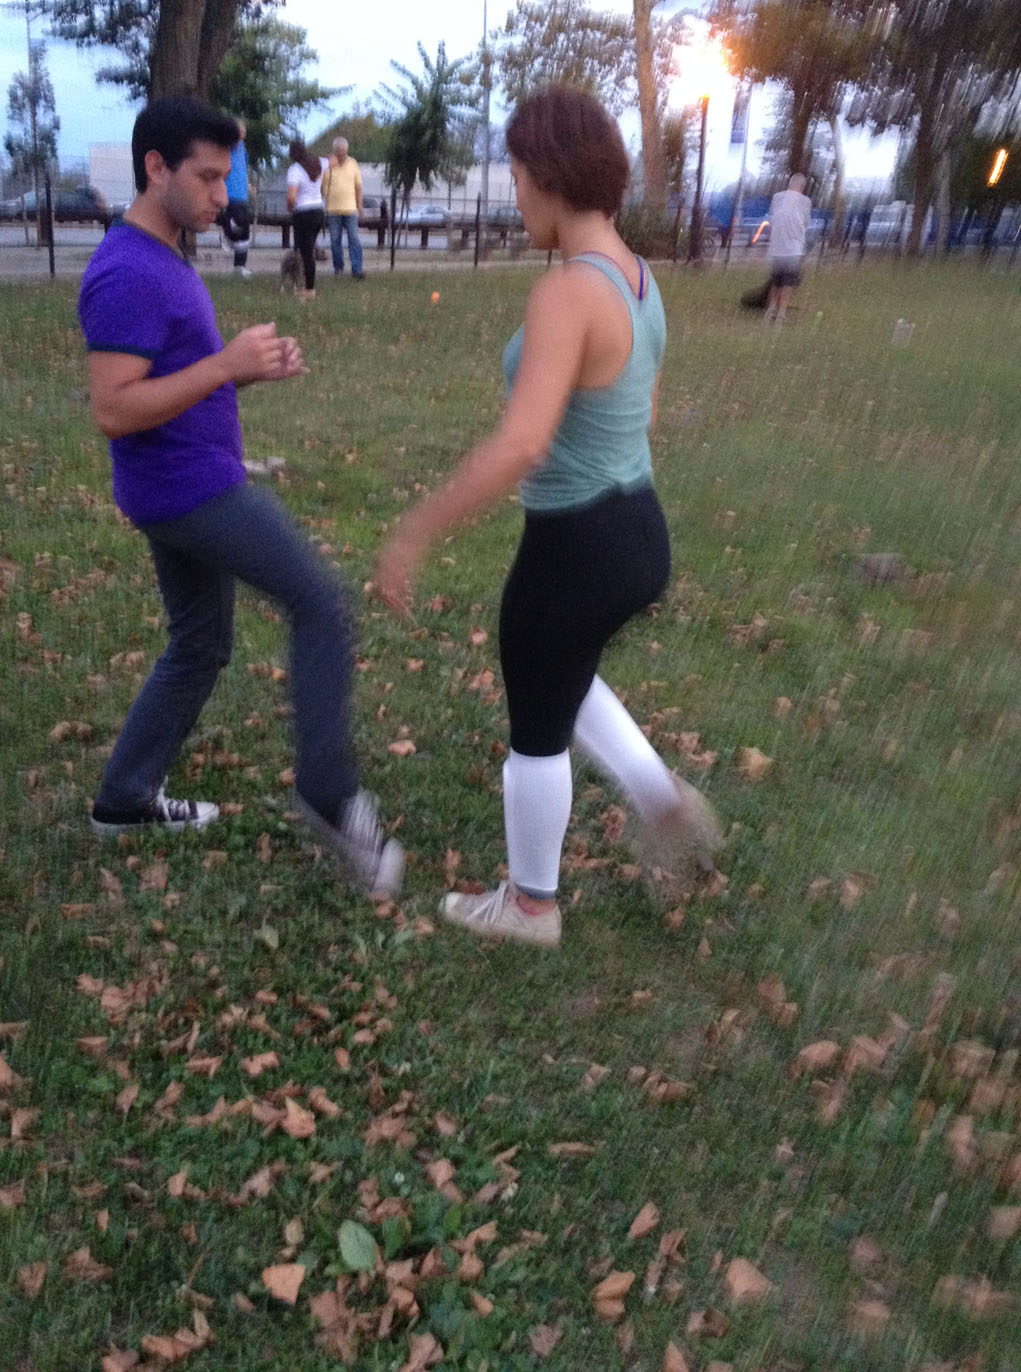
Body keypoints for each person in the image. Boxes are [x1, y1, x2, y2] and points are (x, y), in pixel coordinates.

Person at [374, 87, 719, 948]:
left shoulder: (566, 291)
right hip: (638, 531)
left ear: (548, 176)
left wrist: (415, 531)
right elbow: (638, 411)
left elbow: (522, 442)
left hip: (575, 544)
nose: (515, 193)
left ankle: (531, 905)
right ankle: (660, 798)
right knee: (562, 673)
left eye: (518, 175)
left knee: (535, 722)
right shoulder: (637, 279)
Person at [77, 95, 403, 899]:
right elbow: (114, 408)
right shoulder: (126, 270)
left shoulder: (161, 255)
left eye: (226, 176)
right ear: (155, 167)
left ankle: (124, 799)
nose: (221, 194)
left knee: (200, 645)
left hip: (182, 481)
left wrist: (240, 374)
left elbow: (168, 378)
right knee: (320, 604)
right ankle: (328, 795)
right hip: (187, 492)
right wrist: (225, 365)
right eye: (206, 176)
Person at [766, 172, 812, 323]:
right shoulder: (805, 201)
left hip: (777, 247)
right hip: (794, 249)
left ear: (789, 184)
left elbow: (772, 218)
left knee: (777, 281)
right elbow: (805, 223)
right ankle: (781, 313)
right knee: (788, 283)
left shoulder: (777, 197)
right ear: (802, 187)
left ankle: (772, 308)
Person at [286, 138, 327, 301]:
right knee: (308, 250)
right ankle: (305, 284)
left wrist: (290, 207)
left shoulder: (295, 170)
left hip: (303, 213)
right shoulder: (318, 163)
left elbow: (291, 197)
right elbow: (333, 160)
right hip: (318, 211)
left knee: (306, 253)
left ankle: (309, 288)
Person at [322, 136, 365, 279]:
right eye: (339, 152)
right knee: (335, 241)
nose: (342, 155)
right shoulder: (327, 166)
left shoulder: (353, 163)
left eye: (344, 152)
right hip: (332, 210)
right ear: (334, 152)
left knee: (354, 238)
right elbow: (321, 188)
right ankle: (338, 268)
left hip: (350, 209)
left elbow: (358, 187)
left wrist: (360, 206)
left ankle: (357, 269)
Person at [219, 121, 253, 278]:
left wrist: (249, 186)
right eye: (240, 132)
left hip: (243, 195)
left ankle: (240, 266)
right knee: (238, 225)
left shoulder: (242, 149)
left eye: (244, 132)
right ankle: (228, 234)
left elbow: (242, 169)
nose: (243, 135)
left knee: (245, 231)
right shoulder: (228, 147)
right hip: (232, 193)